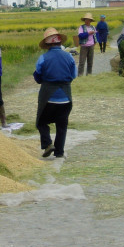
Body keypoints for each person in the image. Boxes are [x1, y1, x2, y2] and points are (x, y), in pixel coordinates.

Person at [34, 27, 77, 159]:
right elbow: (73, 75)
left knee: (41, 122)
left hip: (48, 97)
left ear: (47, 44)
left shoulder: (43, 58)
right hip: (65, 97)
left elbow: (38, 76)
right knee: (62, 125)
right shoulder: (69, 56)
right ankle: (59, 152)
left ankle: (48, 144)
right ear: (59, 42)